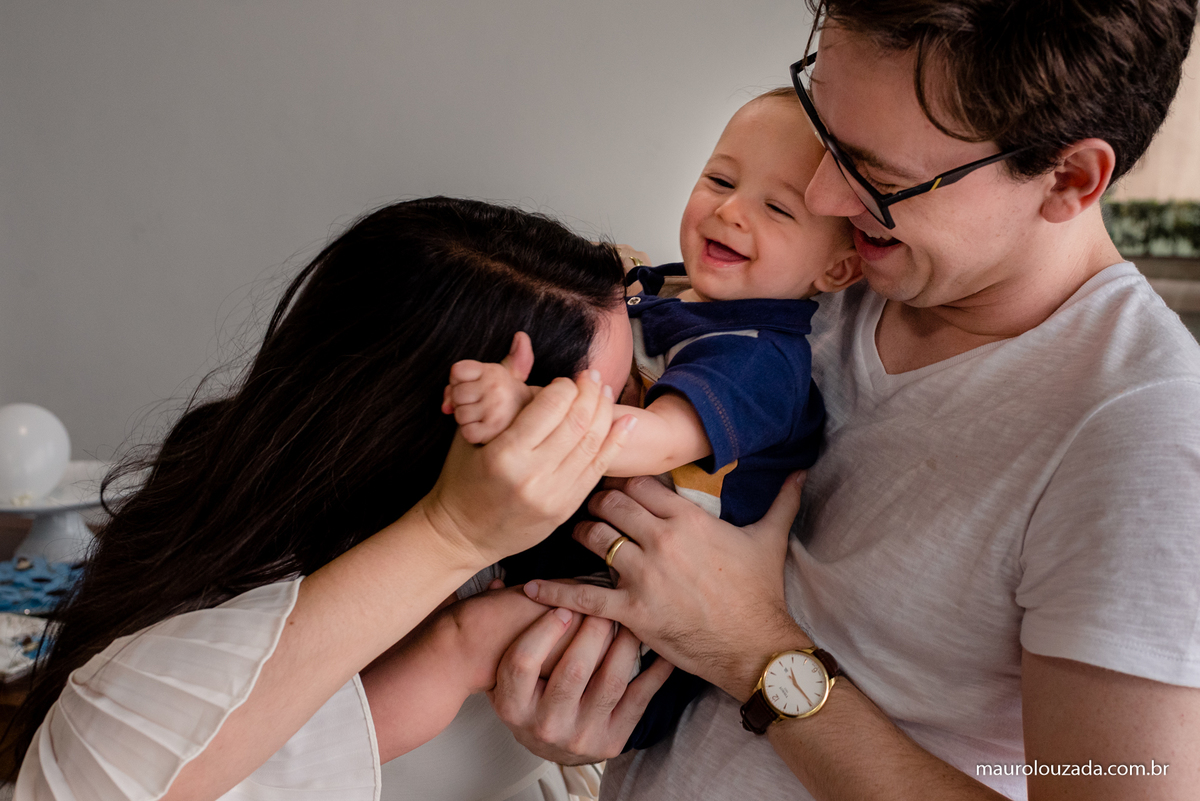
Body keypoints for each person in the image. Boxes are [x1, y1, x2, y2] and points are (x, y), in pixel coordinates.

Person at [484, 2, 1200, 800]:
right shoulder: (827, 268)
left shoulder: (1141, 437)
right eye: (827, 137)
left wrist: (757, 652)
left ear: (1070, 179)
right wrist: (571, 706)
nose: (824, 196)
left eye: (877, 177)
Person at [10, 196, 668, 800]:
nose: (637, 431)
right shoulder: (226, 590)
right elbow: (107, 774)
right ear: (446, 421)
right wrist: (451, 565)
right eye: (599, 414)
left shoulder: (559, 568)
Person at [445, 87, 862, 749]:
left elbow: (654, 439)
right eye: (720, 179)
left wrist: (527, 406)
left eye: (777, 207)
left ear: (838, 267)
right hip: (572, 546)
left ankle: (287, 767)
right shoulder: (663, 291)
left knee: (455, 639)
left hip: (637, 623)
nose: (730, 210)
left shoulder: (761, 358)